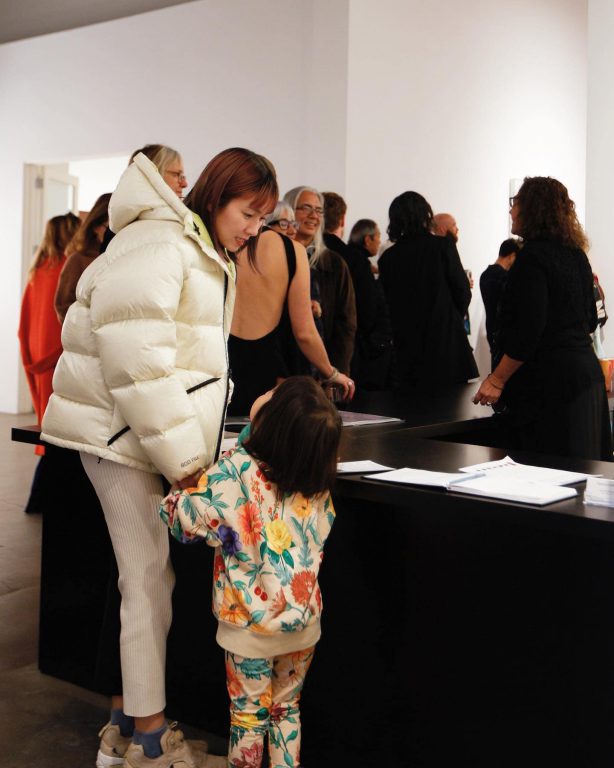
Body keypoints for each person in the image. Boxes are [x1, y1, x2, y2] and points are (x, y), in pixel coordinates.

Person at [41, 147, 278, 768]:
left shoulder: (186, 244)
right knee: (146, 581)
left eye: (262, 218)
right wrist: (188, 464)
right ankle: (148, 741)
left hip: (133, 435)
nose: (254, 229)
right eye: (249, 212)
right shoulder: (162, 242)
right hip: (124, 437)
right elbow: (138, 365)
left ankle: (125, 730)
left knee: (145, 580)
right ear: (217, 193)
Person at [160, 376, 343, 768]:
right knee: (286, 711)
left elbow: (184, 523)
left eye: (273, 395)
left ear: (272, 420)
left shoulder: (235, 471)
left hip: (248, 628)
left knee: (248, 717)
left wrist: (179, 490)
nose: (266, 392)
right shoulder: (315, 480)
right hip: (303, 625)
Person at [473, 176, 612, 461]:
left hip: (551, 386)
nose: (511, 210)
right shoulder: (576, 255)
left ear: (532, 208)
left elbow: (528, 331)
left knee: (550, 472)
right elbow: (590, 319)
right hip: (584, 378)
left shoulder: (532, 258)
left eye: (516, 203)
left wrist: (497, 380)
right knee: (584, 475)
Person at [228, 199, 354, 415]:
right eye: (285, 223)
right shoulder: (293, 252)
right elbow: (305, 332)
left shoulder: (228, 245)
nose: (292, 230)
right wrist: (332, 373)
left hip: (223, 369)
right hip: (266, 375)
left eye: (293, 224)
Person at [378, 191, 478, 393]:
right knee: (453, 407)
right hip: (446, 345)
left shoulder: (388, 258)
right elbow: (462, 291)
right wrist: (449, 318)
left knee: (413, 407)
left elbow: (386, 304)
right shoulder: (442, 246)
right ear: (425, 215)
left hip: (407, 347)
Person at [284, 186, 357, 375]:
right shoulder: (275, 258)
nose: (314, 215)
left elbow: (346, 325)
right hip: (281, 369)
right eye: (306, 208)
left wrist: (335, 372)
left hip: (320, 372)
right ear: (289, 211)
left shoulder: (334, 263)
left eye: (318, 210)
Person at [18, 212, 80, 424]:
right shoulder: (69, 267)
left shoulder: (38, 270)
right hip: (57, 353)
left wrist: (28, 356)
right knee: (59, 421)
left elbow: (25, 321)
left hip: (37, 352)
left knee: (44, 417)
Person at [347, 218, 393, 389]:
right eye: (378, 236)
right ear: (368, 239)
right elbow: (368, 306)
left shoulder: (352, 258)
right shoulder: (361, 264)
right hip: (365, 344)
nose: (380, 241)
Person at [54, 193, 111, 322]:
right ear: (96, 227)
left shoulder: (129, 258)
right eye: (110, 228)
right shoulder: (78, 260)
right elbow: (63, 307)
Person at [479, 238, 519, 365]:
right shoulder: (505, 277)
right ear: (512, 256)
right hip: (504, 333)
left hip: (491, 330)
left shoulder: (484, 275)